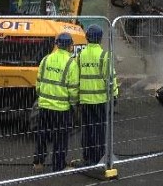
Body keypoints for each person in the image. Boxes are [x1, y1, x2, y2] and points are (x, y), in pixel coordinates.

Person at [33, 32, 79, 172]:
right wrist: (73, 105)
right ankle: (58, 165)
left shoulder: (46, 59)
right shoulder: (72, 63)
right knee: (60, 138)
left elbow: (39, 83)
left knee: (42, 135)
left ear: (57, 44)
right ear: (70, 46)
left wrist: (43, 98)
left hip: (44, 106)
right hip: (61, 109)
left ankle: (38, 163)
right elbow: (73, 88)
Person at [73, 24, 118, 168]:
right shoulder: (104, 55)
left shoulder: (80, 56)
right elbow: (111, 79)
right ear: (100, 39)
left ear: (86, 37)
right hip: (100, 101)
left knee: (87, 130)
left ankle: (87, 158)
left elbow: (76, 78)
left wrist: (76, 98)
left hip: (85, 100)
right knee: (99, 130)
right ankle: (99, 158)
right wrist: (115, 96)